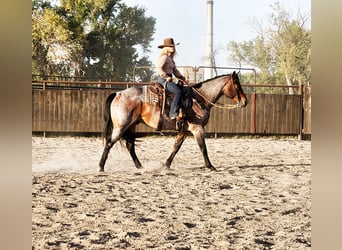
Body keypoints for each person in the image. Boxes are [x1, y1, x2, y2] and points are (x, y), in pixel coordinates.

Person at [156, 38, 188, 120]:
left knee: (183, 90)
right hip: (163, 79)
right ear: (166, 48)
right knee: (177, 92)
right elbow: (159, 68)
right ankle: (173, 113)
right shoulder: (164, 57)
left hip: (169, 78)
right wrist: (166, 76)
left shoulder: (170, 58)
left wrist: (182, 77)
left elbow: (174, 70)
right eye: (170, 46)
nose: (172, 47)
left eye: (173, 46)